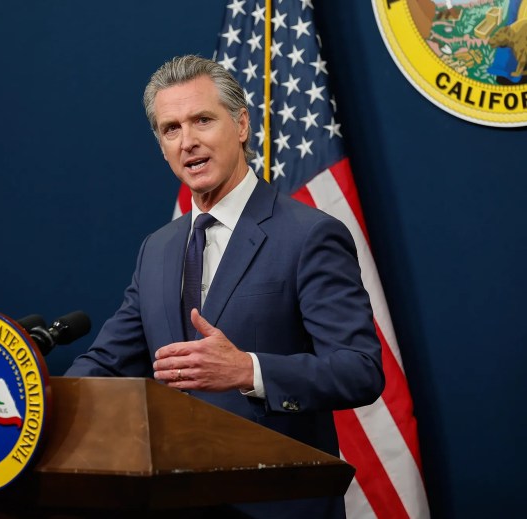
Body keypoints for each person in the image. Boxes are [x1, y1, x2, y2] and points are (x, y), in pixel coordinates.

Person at [65, 55, 385, 518]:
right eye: (171, 129)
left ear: (241, 125)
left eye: (202, 120)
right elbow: (108, 362)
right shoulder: (158, 248)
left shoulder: (309, 235)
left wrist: (247, 370)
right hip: (176, 502)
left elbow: (359, 370)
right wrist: (39, 402)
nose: (188, 141)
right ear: (161, 146)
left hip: (276, 505)